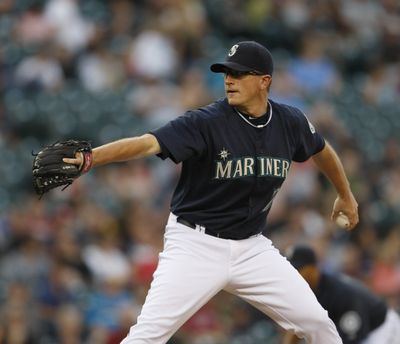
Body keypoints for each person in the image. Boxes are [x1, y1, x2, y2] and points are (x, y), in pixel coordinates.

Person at [63, 41, 359, 343]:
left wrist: (345, 194)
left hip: (251, 248)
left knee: (318, 324)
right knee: (147, 337)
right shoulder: (206, 122)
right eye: (226, 73)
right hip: (195, 244)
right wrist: (92, 157)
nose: (229, 80)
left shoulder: (289, 122)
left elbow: (321, 150)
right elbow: (147, 142)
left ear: (264, 81)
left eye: (240, 73)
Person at [284, 244, 400, 344]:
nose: (294, 274)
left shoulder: (341, 293)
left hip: (381, 329)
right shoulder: (305, 289)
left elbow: (353, 336)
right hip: (357, 327)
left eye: (297, 269)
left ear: (313, 268)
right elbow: (297, 327)